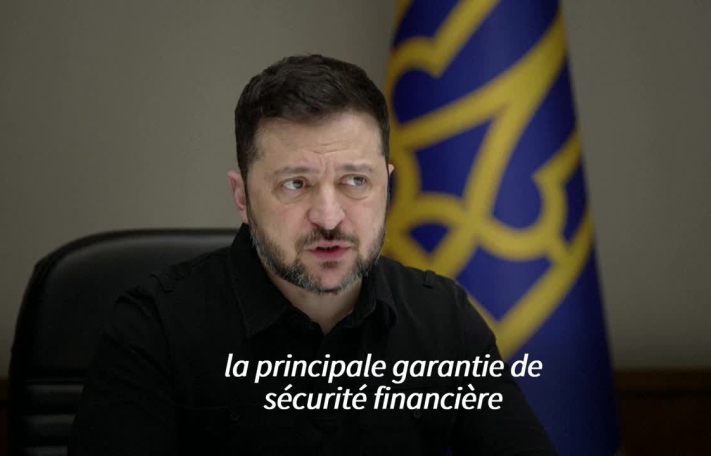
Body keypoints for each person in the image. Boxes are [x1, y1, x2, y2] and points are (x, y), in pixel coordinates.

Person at [69, 54, 556, 455]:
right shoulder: (154, 327)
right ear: (242, 198)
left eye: (355, 181)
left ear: (387, 187)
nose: (329, 216)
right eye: (295, 184)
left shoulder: (442, 318)